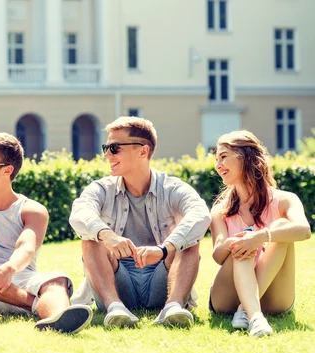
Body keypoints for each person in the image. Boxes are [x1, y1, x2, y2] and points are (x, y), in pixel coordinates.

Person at [0, 133, 92, 334]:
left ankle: (58, 318)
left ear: (8, 170)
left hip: (17, 278)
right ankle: (32, 305)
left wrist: (8, 270)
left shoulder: (32, 210)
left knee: (57, 281)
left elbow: (27, 246)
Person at [69, 116, 210, 328]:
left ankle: (173, 308)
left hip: (163, 280)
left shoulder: (172, 188)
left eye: (114, 148)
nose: (106, 154)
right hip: (116, 283)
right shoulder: (101, 188)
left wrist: (164, 249)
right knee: (91, 238)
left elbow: (200, 214)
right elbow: (80, 212)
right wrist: (107, 235)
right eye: (105, 147)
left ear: (143, 151)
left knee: (189, 240)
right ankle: (115, 309)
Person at [209, 130, 310, 337]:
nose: (218, 165)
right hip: (228, 297)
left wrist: (262, 236)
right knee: (242, 244)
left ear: (245, 156)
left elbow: (304, 230)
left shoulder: (285, 199)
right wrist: (235, 242)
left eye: (223, 156)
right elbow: (218, 255)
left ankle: (246, 312)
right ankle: (254, 316)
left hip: (274, 297)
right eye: (216, 159)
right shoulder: (221, 209)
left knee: (282, 226)